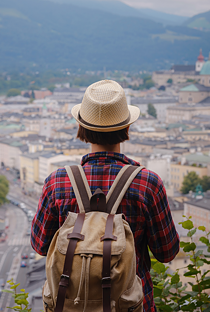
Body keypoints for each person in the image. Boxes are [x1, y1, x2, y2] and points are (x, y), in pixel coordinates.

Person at [31, 80, 179, 312]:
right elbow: (167, 252)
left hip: (71, 305)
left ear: (82, 129)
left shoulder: (57, 182)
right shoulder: (148, 184)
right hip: (129, 305)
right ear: (127, 128)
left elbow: (40, 245)